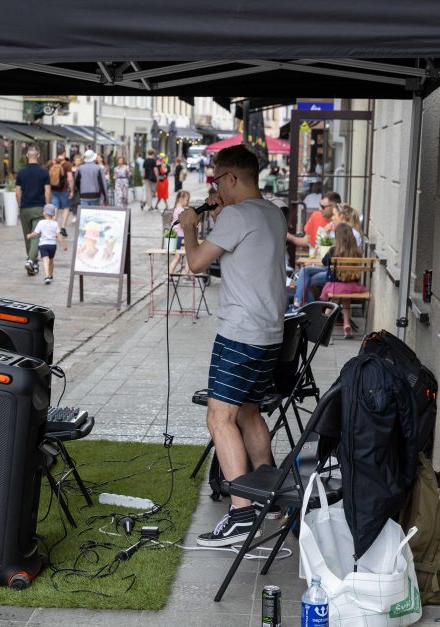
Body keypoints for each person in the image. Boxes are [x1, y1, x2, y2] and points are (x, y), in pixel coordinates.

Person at [178, 145, 287, 546]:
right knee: (249, 413)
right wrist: (217, 210)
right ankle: (270, 501)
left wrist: (191, 225)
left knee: (218, 418)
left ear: (233, 178)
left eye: (217, 179)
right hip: (268, 333)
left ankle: (241, 512)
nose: (215, 186)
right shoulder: (271, 213)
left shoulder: (238, 216)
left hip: (240, 333)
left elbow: (195, 263)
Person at [320, 223, 364, 338]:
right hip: (351, 286)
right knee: (346, 300)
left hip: (334, 286)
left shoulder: (333, 250)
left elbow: (324, 262)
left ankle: (323, 326)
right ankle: (346, 324)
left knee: (333, 302)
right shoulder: (356, 252)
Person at [16, 145, 51, 277]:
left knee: (28, 237)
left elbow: (17, 192)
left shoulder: (21, 172)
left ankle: (32, 262)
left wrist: (20, 205)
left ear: (26, 156)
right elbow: (47, 190)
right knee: (36, 236)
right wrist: (47, 206)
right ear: (39, 155)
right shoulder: (43, 172)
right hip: (39, 207)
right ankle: (31, 260)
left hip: (25, 207)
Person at [26, 204, 68, 284]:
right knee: (51, 261)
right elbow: (59, 235)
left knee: (45, 260)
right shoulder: (55, 224)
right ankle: (51, 275)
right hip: (52, 245)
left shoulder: (41, 222)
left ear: (44, 213)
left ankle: (47, 276)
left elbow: (36, 233)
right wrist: (63, 245)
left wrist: (29, 235)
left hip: (43, 245)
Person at [49, 149, 74, 234]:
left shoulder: (51, 163)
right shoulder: (67, 164)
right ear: (64, 153)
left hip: (53, 189)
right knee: (66, 208)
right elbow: (70, 178)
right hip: (63, 190)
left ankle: (53, 228)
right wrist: (71, 190)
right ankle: (63, 227)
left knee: (55, 208)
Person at [168, 190, 190, 275]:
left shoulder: (176, 209)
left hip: (176, 236)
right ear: (181, 199)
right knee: (189, 256)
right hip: (181, 237)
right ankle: (185, 274)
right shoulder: (180, 211)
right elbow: (182, 225)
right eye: (187, 200)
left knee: (177, 257)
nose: (188, 202)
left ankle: (169, 274)